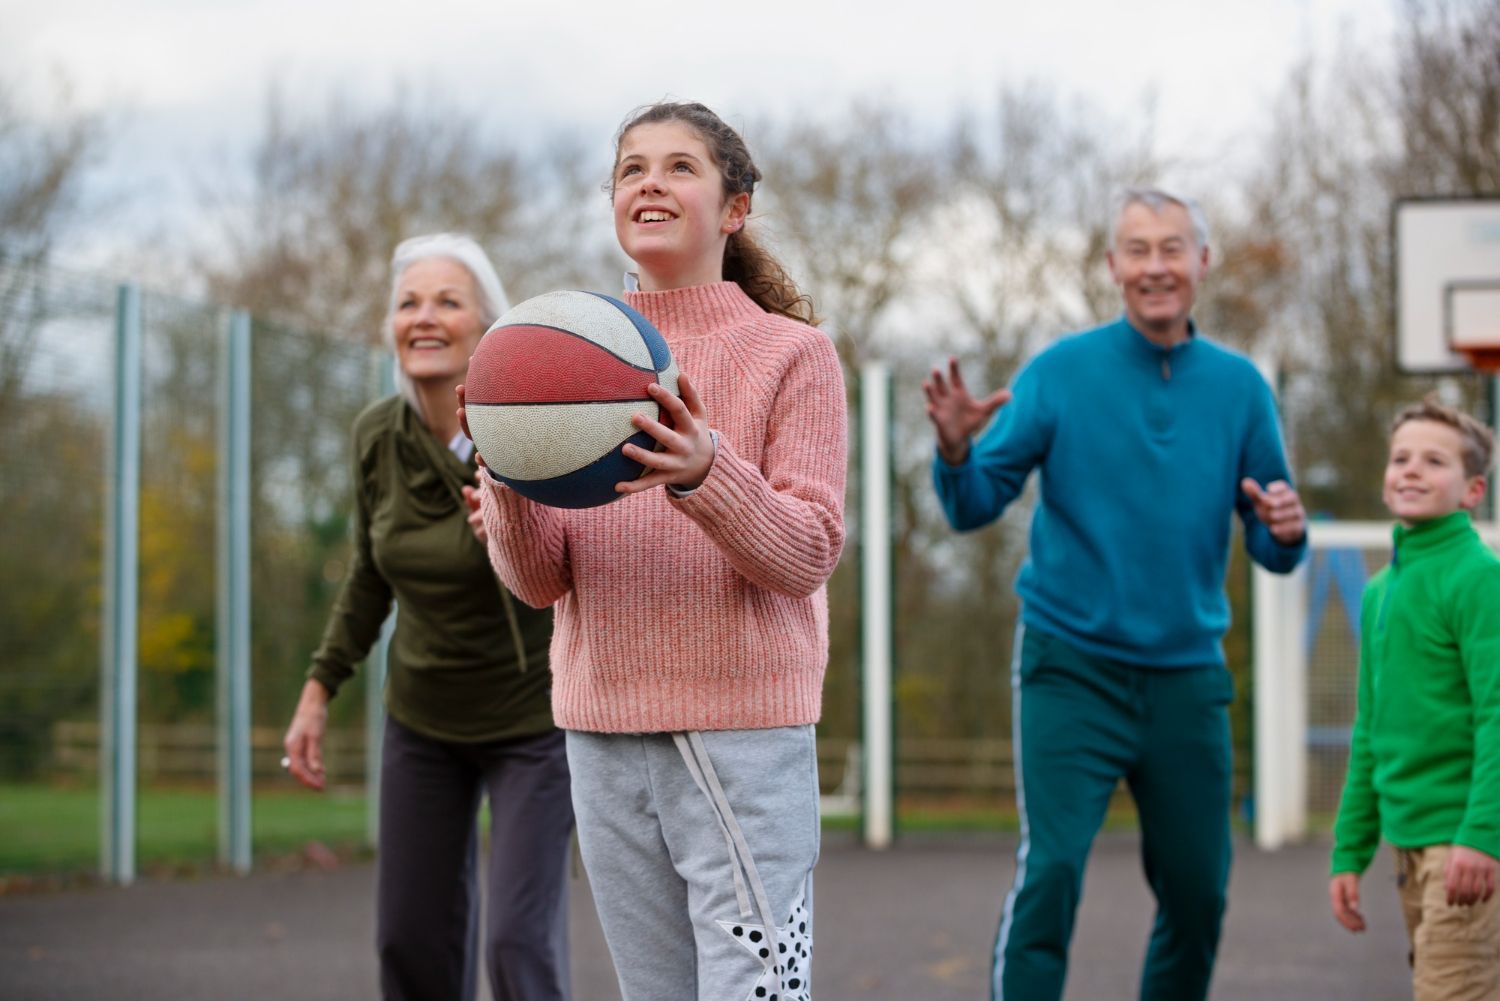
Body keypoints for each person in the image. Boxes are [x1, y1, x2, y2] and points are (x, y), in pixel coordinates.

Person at [459, 101, 846, 1001]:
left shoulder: (793, 354)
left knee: (755, 989)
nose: (650, 184)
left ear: (734, 207)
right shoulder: (554, 357)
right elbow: (541, 581)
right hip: (601, 728)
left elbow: (809, 551)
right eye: (632, 168)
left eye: (679, 167)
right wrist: (511, 486)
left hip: (744, 731)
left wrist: (708, 472)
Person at [925, 187, 1308, 1001]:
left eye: (1173, 247)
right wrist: (957, 452)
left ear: (1202, 262)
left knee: (1200, 892)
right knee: (1054, 869)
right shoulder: (1060, 373)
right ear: (1112, 266)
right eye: (1137, 249)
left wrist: (1285, 524)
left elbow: (1275, 543)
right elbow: (971, 506)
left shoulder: (1241, 390)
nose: (1156, 265)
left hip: (1187, 678)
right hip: (1072, 667)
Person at [281, 233, 573, 1001]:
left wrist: (521, 533)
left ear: (486, 324)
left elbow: (582, 565)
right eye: (408, 302)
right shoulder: (377, 435)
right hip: (423, 719)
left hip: (533, 723)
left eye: (448, 300)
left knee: (517, 942)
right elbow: (369, 576)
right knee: (408, 941)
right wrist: (318, 690)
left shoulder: (534, 432)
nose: (424, 316)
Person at [1329, 397, 1500, 999]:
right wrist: (1349, 850)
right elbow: (1371, 730)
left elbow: (1498, 714)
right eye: (1401, 457)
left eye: (1433, 460)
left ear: (1473, 490)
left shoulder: (1479, 578)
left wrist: (1484, 834)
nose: (1410, 470)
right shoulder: (1381, 591)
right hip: (1410, 849)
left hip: (1468, 844)